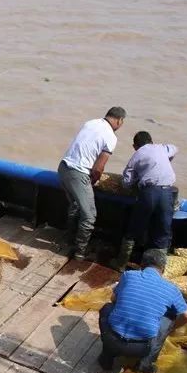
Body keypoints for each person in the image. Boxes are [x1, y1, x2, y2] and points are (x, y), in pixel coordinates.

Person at [98, 249, 187, 373]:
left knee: (107, 308)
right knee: (168, 320)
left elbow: (113, 299)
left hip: (110, 339)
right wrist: (171, 329)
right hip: (141, 348)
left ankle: (107, 357)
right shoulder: (171, 289)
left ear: (141, 265)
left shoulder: (129, 275)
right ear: (163, 269)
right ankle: (145, 364)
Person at [58, 106, 127, 260]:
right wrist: (92, 181)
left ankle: (69, 239)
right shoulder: (111, 136)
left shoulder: (90, 123)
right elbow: (99, 167)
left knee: (75, 205)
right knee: (89, 216)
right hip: (79, 173)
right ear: (119, 120)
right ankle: (79, 252)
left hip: (63, 168)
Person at [113, 131, 179, 269]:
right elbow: (174, 148)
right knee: (163, 230)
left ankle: (121, 264)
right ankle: (158, 269)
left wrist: (137, 176)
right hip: (167, 193)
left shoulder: (137, 155)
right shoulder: (162, 148)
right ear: (151, 141)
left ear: (135, 146)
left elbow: (126, 182)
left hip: (148, 193)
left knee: (134, 228)